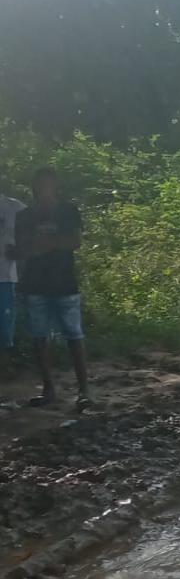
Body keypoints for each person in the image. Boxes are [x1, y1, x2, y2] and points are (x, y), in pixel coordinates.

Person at [14, 168, 90, 410]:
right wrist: (53, 244)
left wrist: (42, 245)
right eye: (40, 183)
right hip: (35, 284)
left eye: (48, 183)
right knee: (39, 337)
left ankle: (84, 390)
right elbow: (22, 248)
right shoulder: (24, 215)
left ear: (56, 185)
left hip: (65, 282)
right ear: (34, 186)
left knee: (74, 336)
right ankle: (49, 389)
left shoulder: (69, 210)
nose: (44, 187)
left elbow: (75, 242)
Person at [1, 186, 26, 358]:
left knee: (3, 328)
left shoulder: (13, 206)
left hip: (4, 276)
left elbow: (34, 228)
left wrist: (21, 250)